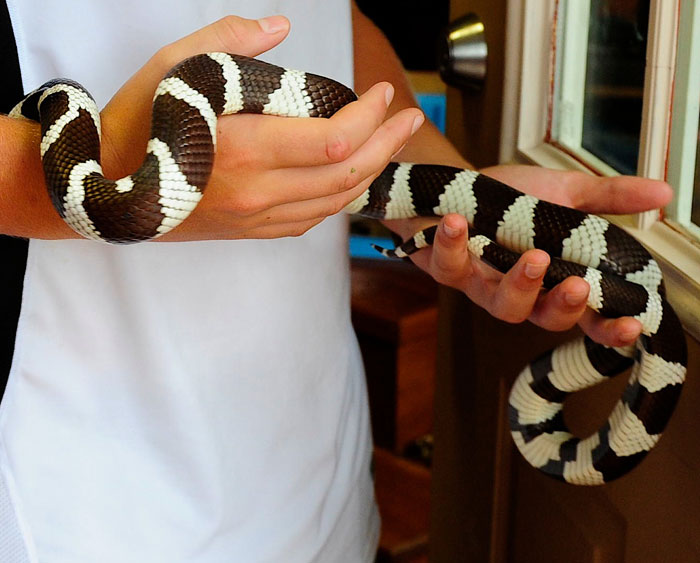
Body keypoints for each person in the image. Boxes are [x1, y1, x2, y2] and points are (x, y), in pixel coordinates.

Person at [0, 1, 672, 561]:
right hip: (98, 489)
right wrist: (119, 173)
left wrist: (441, 192)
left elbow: (334, 18)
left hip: (316, 456)